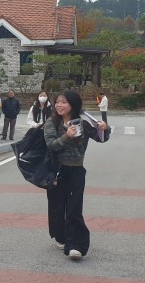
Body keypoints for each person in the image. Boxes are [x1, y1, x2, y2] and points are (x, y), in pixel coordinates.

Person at [44, 90, 110, 261]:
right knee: (57, 207)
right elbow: (51, 145)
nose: (59, 105)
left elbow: (101, 138)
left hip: (76, 171)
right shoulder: (51, 123)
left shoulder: (82, 123)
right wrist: (67, 136)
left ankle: (76, 245)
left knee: (74, 208)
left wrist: (105, 128)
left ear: (73, 105)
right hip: (56, 172)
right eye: (57, 102)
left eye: (64, 102)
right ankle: (60, 236)